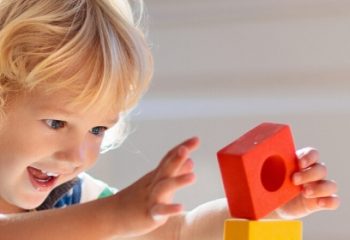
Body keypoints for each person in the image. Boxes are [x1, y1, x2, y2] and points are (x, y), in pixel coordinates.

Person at [0, 0, 339, 239]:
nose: (77, 156)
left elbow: (181, 231)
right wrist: (115, 216)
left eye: (97, 129)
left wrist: (266, 208)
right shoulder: (101, 213)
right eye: (57, 123)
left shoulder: (76, 197)